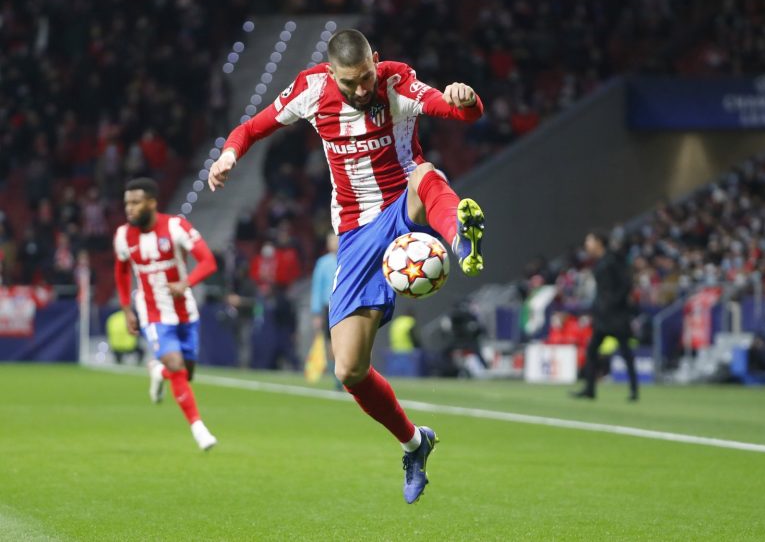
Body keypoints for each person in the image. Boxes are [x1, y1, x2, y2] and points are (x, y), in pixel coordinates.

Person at [208, 29, 486, 503]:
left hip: (403, 200)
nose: (362, 90)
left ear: (376, 62)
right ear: (331, 73)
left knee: (425, 173)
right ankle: (416, 444)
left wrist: (466, 98)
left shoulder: (396, 82)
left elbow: (457, 111)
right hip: (355, 233)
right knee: (349, 369)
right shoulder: (311, 89)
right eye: (351, 83)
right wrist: (228, 155)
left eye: (367, 78)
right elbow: (252, 128)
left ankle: (460, 238)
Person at [113, 177, 219, 450]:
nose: (130, 209)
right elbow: (122, 271)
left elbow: (208, 261)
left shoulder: (175, 227)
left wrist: (185, 284)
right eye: (127, 203)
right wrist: (127, 309)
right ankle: (199, 429)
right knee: (176, 366)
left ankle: (158, 370)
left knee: (187, 372)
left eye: (136, 203)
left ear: (151, 203)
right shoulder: (123, 236)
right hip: (153, 314)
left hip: (185, 312)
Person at [572, 231, 639, 401]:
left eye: (589, 240)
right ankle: (590, 389)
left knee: (625, 352)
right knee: (592, 350)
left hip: (616, 315)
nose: (587, 245)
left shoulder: (612, 259)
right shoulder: (600, 261)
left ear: (598, 242)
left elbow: (626, 283)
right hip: (603, 315)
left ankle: (634, 390)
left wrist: (614, 303)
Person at [310, 230, 342, 389]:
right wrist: (316, 312)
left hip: (344, 304)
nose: (334, 243)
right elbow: (317, 287)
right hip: (327, 306)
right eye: (332, 240)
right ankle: (336, 375)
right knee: (331, 343)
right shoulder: (323, 263)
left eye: (337, 239)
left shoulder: (348, 258)